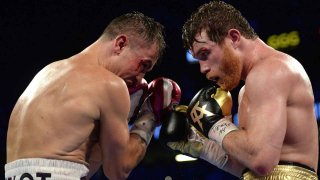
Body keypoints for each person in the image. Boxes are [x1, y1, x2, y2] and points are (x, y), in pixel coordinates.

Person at [6, 12, 181, 180]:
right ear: (120, 44)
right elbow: (118, 171)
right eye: (143, 65)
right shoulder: (110, 85)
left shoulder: (46, 73)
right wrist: (148, 117)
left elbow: (61, 164)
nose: (140, 78)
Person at [161, 1, 318, 179]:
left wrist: (213, 123)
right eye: (199, 60)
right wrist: (198, 144)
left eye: (205, 54)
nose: (202, 69)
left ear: (234, 38)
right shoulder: (248, 88)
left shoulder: (271, 71)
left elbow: (261, 161)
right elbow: (249, 168)